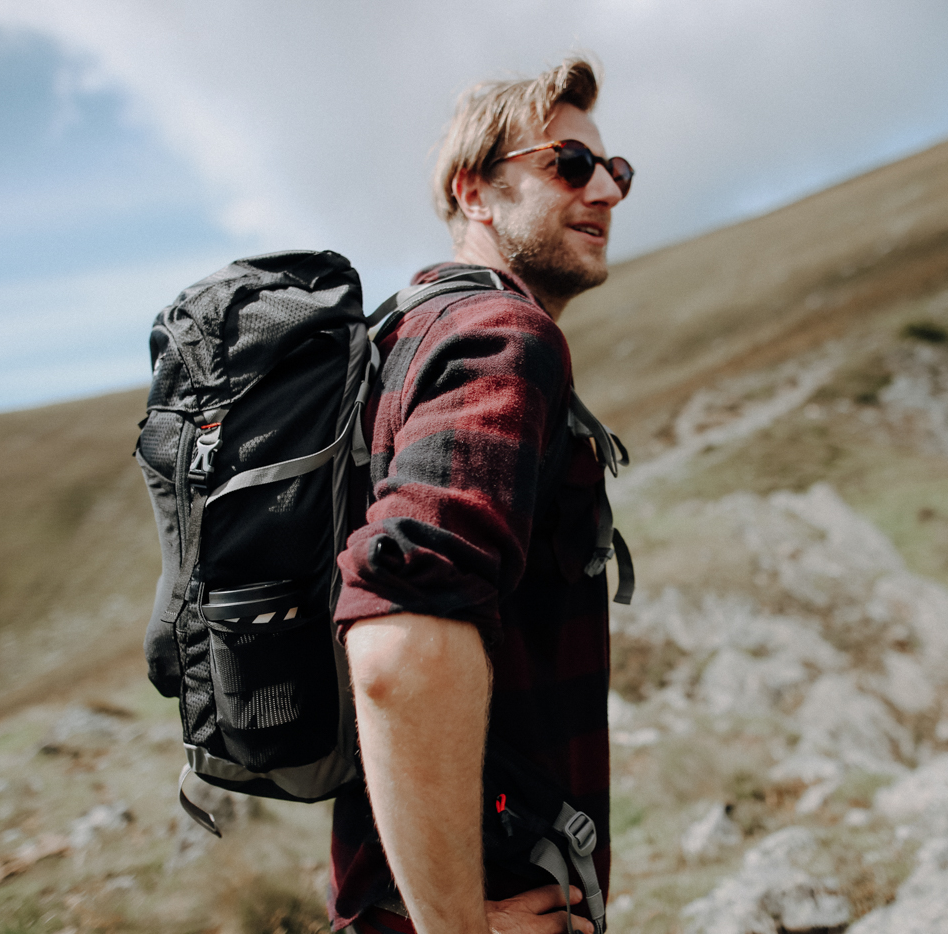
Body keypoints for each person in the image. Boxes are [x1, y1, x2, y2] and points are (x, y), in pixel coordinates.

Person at [327, 56, 634, 934]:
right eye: (567, 165)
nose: (606, 191)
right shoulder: (504, 337)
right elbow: (398, 646)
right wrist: (457, 926)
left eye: (615, 170)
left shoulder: (404, 332)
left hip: (390, 888)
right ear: (476, 193)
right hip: (491, 899)